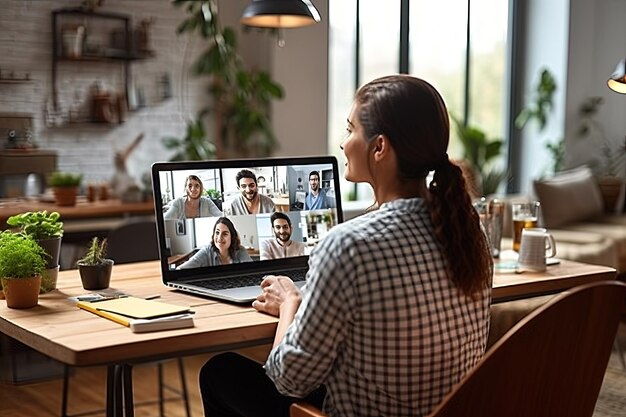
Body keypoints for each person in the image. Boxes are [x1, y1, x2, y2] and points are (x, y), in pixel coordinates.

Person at [198, 75, 493, 416]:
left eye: (351, 130)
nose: (343, 143)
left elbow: (286, 381)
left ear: (379, 148)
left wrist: (292, 302)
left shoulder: (348, 245)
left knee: (219, 372)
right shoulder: (469, 233)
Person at [177, 217, 252, 268]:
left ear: (232, 237)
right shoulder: (207, 251)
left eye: (225, 234)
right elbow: (181, 269)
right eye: (217, 232)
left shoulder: (240, 250)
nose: (219, 238)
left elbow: (251, 270)